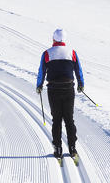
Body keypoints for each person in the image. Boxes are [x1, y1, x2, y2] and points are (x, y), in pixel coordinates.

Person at [36, 28, 84, 160]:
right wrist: (81, 84)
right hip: (69, 88)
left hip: (53, 89)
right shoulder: (72, 52)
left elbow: (42, 71)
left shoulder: (47, 53)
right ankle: (72, 148)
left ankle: (58, 148)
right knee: (69, 119)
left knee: (56, 120)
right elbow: (78, 70)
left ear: (53, 38)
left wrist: (39, 85)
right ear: (64, 39)